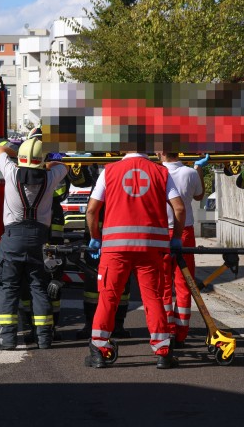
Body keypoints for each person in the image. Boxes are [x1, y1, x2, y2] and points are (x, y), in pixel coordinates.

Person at [84, 151, 186, 369]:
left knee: (108, 297)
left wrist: (95, 237)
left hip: (115, 249)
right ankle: (163, 351)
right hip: (151, 248)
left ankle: (99, 350)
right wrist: (176, 238)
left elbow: (92, 210)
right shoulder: (161, 171)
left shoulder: (109, 171)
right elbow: (179, 208)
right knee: (153, 298)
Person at [0, 135, 69, 350]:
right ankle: (44, 339)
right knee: (39, 287)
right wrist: (47, 163)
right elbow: (63, 165)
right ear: (41, 160)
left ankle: (7, 340)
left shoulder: (11, 171)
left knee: (8, 288)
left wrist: (16, 154)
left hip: (12, 238)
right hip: (39, 239)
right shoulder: (50, 176)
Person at [73, 163, 133, 340]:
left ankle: (118, 324)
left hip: (116, 232)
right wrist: (77, 167)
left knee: (122, 282)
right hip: (98, 233)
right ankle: (91, 323)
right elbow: (79, 181)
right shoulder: (95, 158)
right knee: (93, 282)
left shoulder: (124, 164)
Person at [157, 152, 208, 348]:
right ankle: (181, 333)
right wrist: (199, 168)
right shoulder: (190, 173)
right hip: (184, 231)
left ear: (161, 152)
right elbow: (199, 195)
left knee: (163, 285)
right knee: (184, 283)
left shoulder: (157, 172)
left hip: (161, 231)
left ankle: (166, 329)